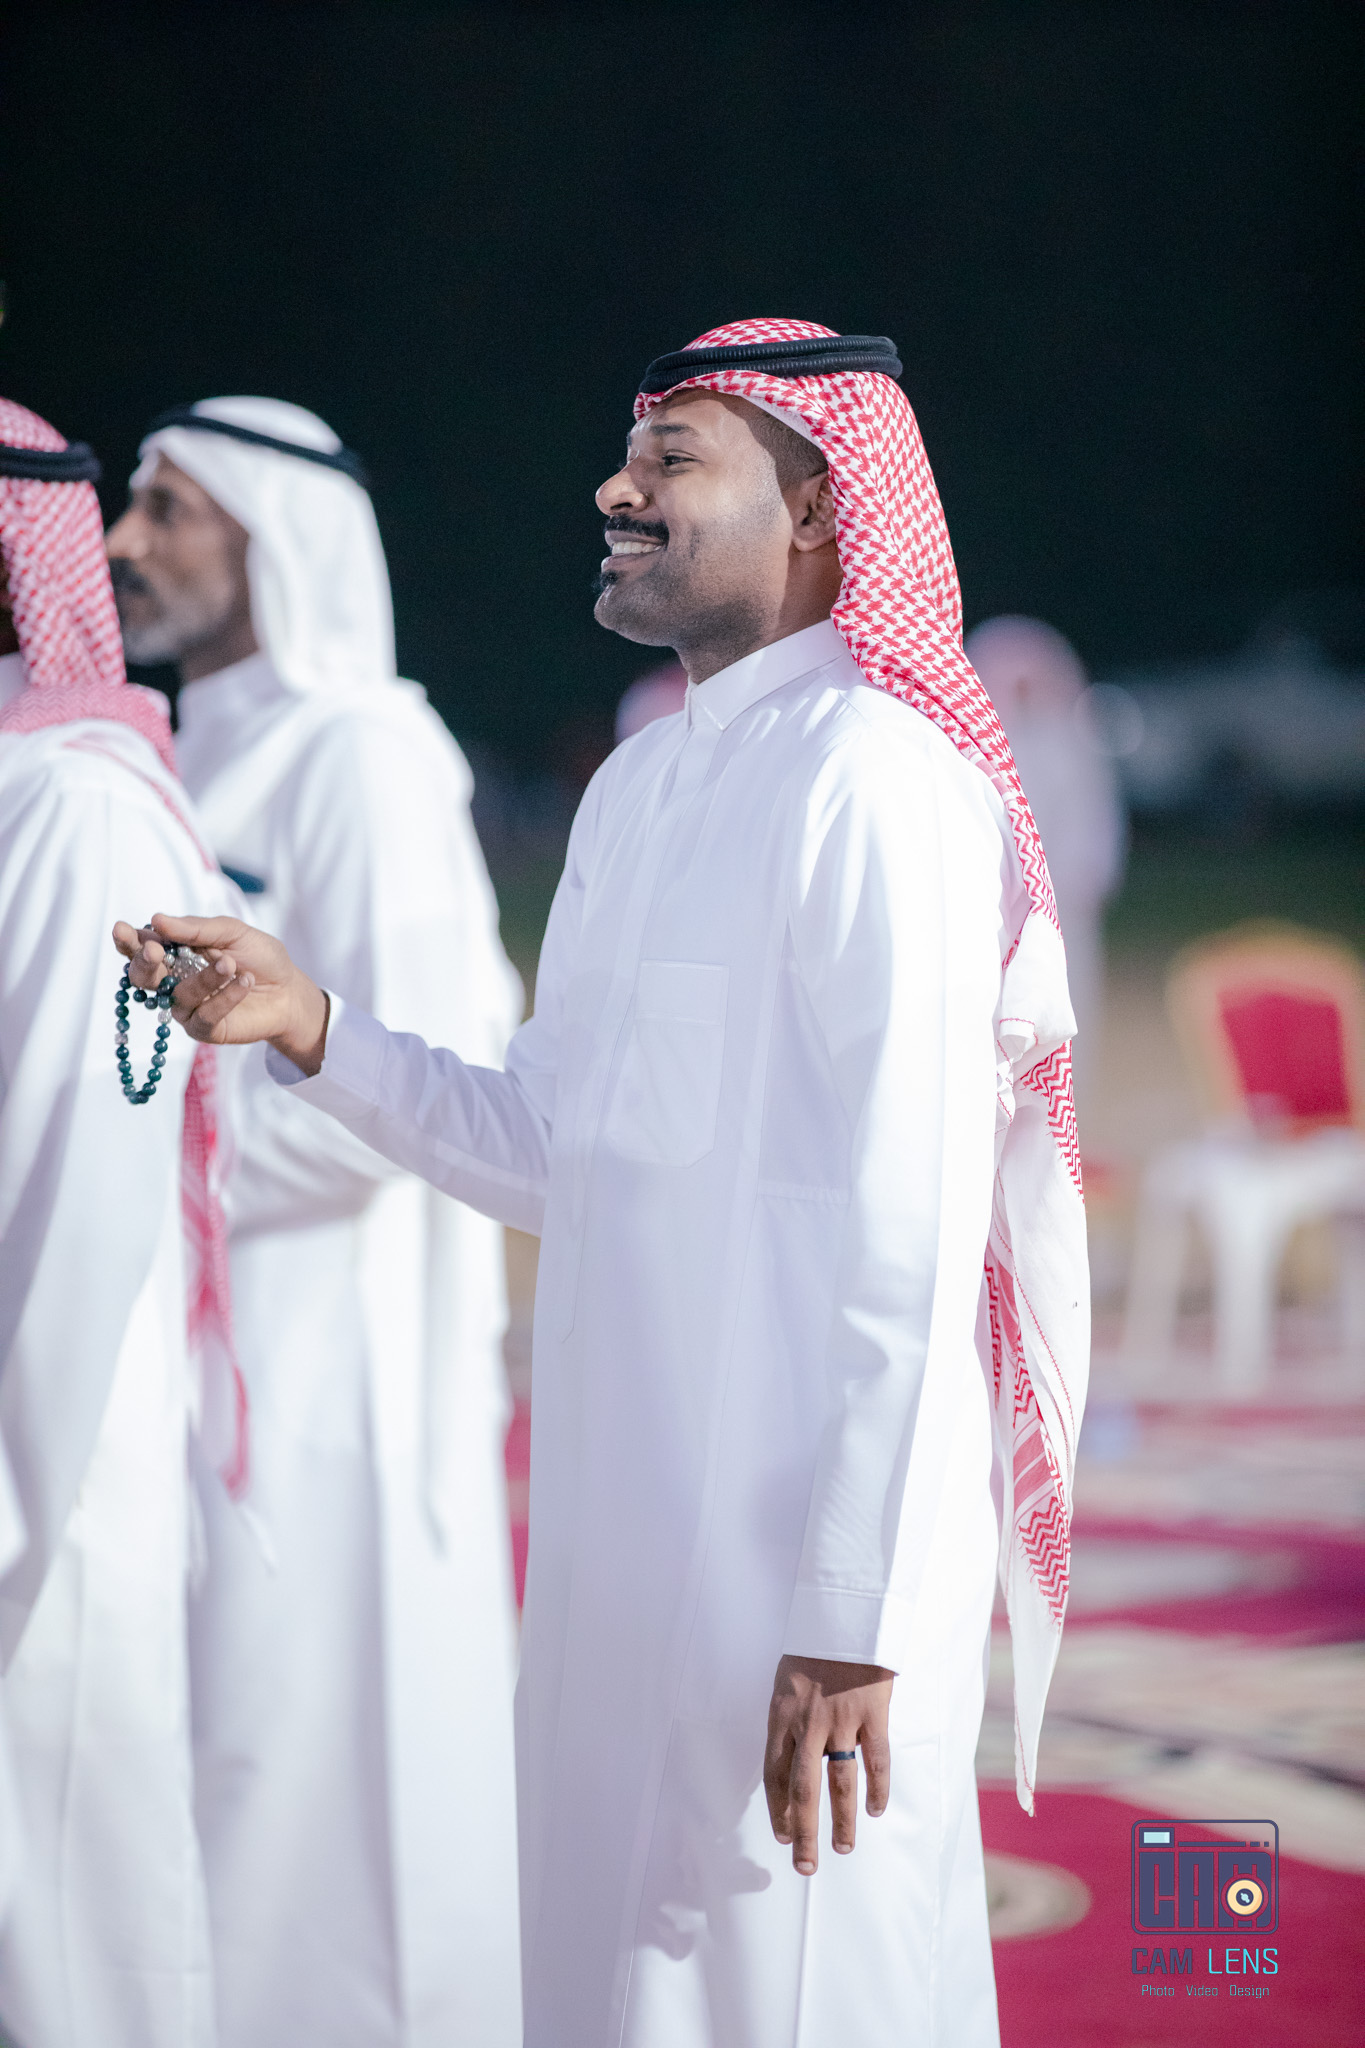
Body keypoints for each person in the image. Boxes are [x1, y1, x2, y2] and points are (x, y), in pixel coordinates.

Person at [118, 320, 1091, 2048]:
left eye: (671, 460)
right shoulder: (641, 785)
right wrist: (316, 1026)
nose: (613, 491)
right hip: (616, 1533)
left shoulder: (880, 780)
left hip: (794, 1570)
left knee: (801, 1993)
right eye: (628, 455)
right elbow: (552, 1151)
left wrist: (850, 1613)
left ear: (818, 508)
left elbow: (914, 1224)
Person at [105, 398, 523, 2048]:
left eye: (169, 507)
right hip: (186, 1344)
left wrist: (136, 1192)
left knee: (324, 1755)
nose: (126, 540)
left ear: (273, 535)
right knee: (213, 1745)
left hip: (335, 1366)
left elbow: (415, 1079)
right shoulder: (179, 754)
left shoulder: (364, 753)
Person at [0, 398, 241, 2048]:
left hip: (43, 1482)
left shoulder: (76, 809)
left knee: (69, 1951)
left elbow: (78, 1195)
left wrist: (15, 1507)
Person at [965, 615, 1126, 1114]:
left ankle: (1062, 1122)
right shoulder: (972, 750)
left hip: (1060, 914)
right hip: (992, 915)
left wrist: (1075, 887)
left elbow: (1093, 823)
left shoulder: (1071, 745)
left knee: (1065, 1017)